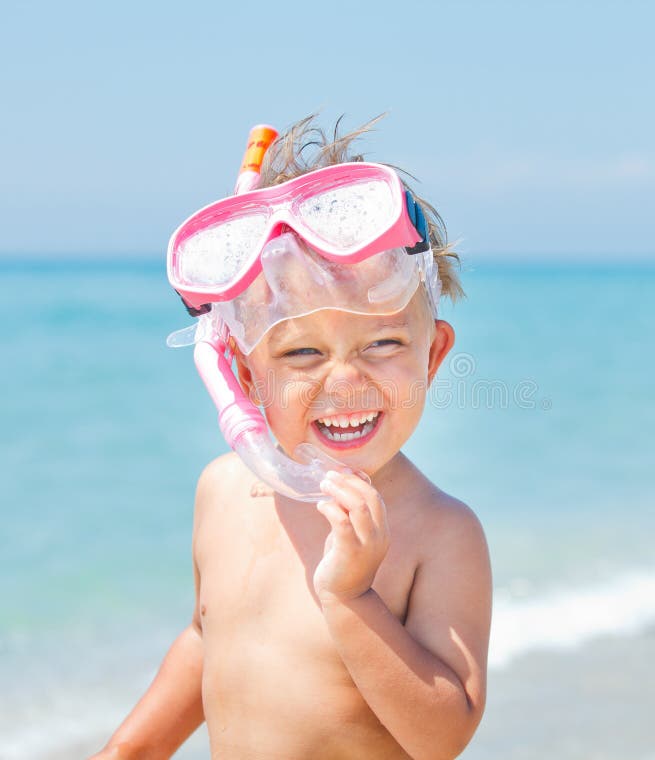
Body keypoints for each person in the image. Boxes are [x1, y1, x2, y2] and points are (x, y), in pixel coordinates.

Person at [92, 116, 492, 760]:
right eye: (302, 351)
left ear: (434, 355)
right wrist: (127, 750)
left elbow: (444, 736)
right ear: (246, 375)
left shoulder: (440, 532)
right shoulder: (222, 490)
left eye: (383, 342)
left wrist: (350, 597)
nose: (345, 380)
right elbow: (208, 637)